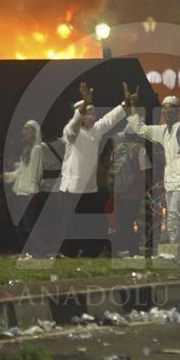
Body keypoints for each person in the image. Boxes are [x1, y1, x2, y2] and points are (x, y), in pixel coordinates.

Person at [58, 82, 130, 257]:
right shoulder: (71, 131)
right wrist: (84, 103)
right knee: (71, 222)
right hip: (73, 187)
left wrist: (125, 104)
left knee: (91, 222)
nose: (93, 116)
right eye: (89, 113)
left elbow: (109, 120)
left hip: (90, 186)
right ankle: (68, 251)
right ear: (81, 115)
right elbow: (74, 124)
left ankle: (91, 251)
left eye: (94, 113)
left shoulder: (94, 131)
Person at [126, 94, 180, 246]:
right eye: (164, 110)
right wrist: (133, 106)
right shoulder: (164, 131)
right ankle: (177, 246)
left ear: (176, 111)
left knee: (174, 215)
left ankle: (176, 247)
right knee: (172, 215)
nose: (167, 113)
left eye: (170, 109)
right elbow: (141, 129)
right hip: (170, 182)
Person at [4, 120, 45, 257]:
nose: (24, 132)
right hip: (20, 191)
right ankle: (29, 252)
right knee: (22, 225)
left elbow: (37, 172)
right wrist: (8, 176)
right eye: (23, 129)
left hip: (29, 192)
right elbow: (22, 171)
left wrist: (33, 190)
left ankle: (39, 253)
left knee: (30, 225)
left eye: (27, 129)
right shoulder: (27, 149)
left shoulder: (37, 149)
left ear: (34, 132)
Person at [109, 130, 152, 256]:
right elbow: (145, 172)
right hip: (134, 191)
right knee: (127, 221)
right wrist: (151, 187)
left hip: (118, 191)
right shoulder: (140, 150)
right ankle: (112, 246)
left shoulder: (116, 150)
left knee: (125, 220)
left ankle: (133, 249)